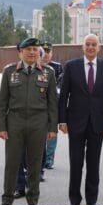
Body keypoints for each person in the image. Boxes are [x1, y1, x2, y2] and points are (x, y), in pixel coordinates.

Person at [0, 38, 58, 205]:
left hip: (38, 122)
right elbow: (2, 102)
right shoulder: (10, 72)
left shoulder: (48, 73)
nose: (32, 52)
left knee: (35, 163)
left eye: (34, 49)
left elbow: (52, 103)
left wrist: (52, 127)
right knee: (12, 163)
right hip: (15, 121)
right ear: (20, 52)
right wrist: (2, 126)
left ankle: (33, 202)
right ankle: (6, 201)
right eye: (28, 49)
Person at [58, 34, 103, 205]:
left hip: (97, 123)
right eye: (87, 44)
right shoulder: (71, 66)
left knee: (93, 163)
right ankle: (74, 201)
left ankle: (91, 201)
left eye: (94, 45)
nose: (91, 47)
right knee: (75, 163)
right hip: (75, 122)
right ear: (82, 47)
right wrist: (62, 120)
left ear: (99, 48)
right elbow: (63, 96)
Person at [41, 41, 63, 169]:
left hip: (53, 105)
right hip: (40, 105)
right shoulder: (36, 66)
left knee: (52, 133)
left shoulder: (57, 67)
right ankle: (41, 157)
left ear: (51, 53)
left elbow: (61, 86)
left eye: (48, 52)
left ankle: (49, 158)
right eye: (43, 52)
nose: (45, 55)